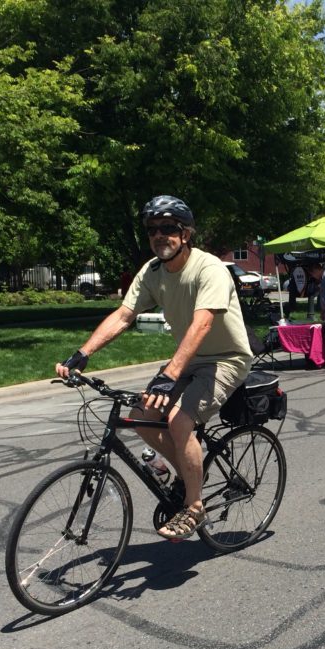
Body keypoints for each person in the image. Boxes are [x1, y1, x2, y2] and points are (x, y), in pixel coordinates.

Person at [55, 195, 252, 541]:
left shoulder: (209, 269)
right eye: (152, 230)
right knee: (141, 416)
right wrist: (83, 353)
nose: (159, 235)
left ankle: (194, 506)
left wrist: (169, 375)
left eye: (168, 228)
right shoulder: (152, 271)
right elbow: (124, 315)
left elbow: (203, 324)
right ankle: (189, 474)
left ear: (185, 234)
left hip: (226, 358)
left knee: (179, 420)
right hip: (190, 359)